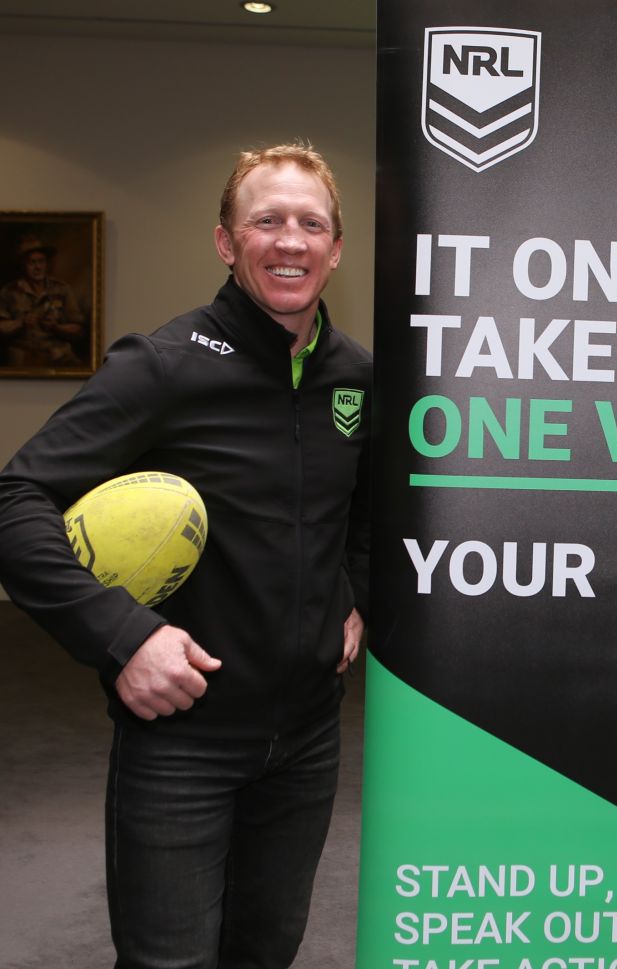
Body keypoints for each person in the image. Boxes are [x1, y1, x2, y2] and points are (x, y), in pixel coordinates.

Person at [0, 142, 371, 969]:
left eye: (311, 223)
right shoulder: (163, 366)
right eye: (265, 220)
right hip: (184, 738)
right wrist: (123, 634)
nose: (290, 240)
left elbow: (368, 510)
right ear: (225, 242)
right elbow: (14, 503)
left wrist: (356, 596)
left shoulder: (356, 379)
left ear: (336, 247)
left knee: (265, 950)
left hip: (308, 737)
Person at [0, 235, 87, 367]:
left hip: (58, 355)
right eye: (32, 263)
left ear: (46, 264)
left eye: (41, 262)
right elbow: (2, 328)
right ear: (23, 265)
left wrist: (56, 327)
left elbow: (78, 330)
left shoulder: (62, 289)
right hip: (22, 357)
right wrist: (21, 323)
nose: (38, 267)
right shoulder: (9, 292)